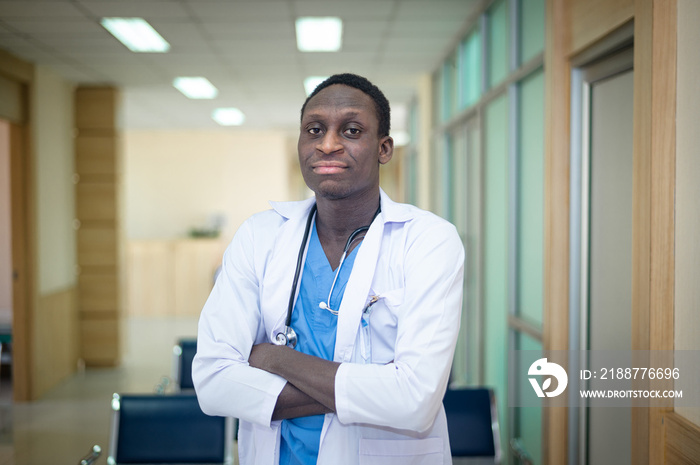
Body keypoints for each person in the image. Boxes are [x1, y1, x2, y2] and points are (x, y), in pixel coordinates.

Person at [193, 73, 464, 465]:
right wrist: (373, 388)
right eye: (314, 130)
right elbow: (213, 382)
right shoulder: (259, 236)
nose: (328, 144)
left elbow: (414, 401)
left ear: (384, 148)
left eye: (351, 130)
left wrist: (274, 359)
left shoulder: (428, 240)